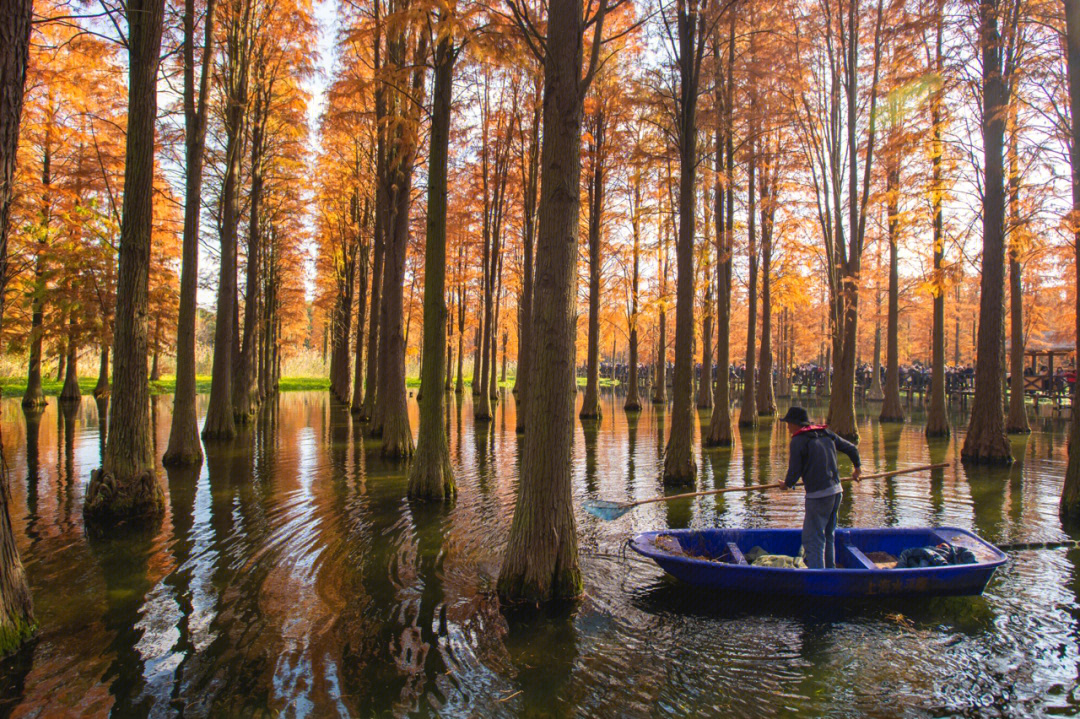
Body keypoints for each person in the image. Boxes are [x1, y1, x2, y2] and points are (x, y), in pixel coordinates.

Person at [779, 406, 861, 569]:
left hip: (819, 496)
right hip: (836, 491)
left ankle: (817, 577)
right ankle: (829, 571)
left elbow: (795, 470)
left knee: (813, 538)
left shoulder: (798, 440)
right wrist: (857, 468)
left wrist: (787, 484)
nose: (787, 426)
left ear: (796, 424)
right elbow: (851, 448)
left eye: (788, 423)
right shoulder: (826, 433)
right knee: (828, 535)